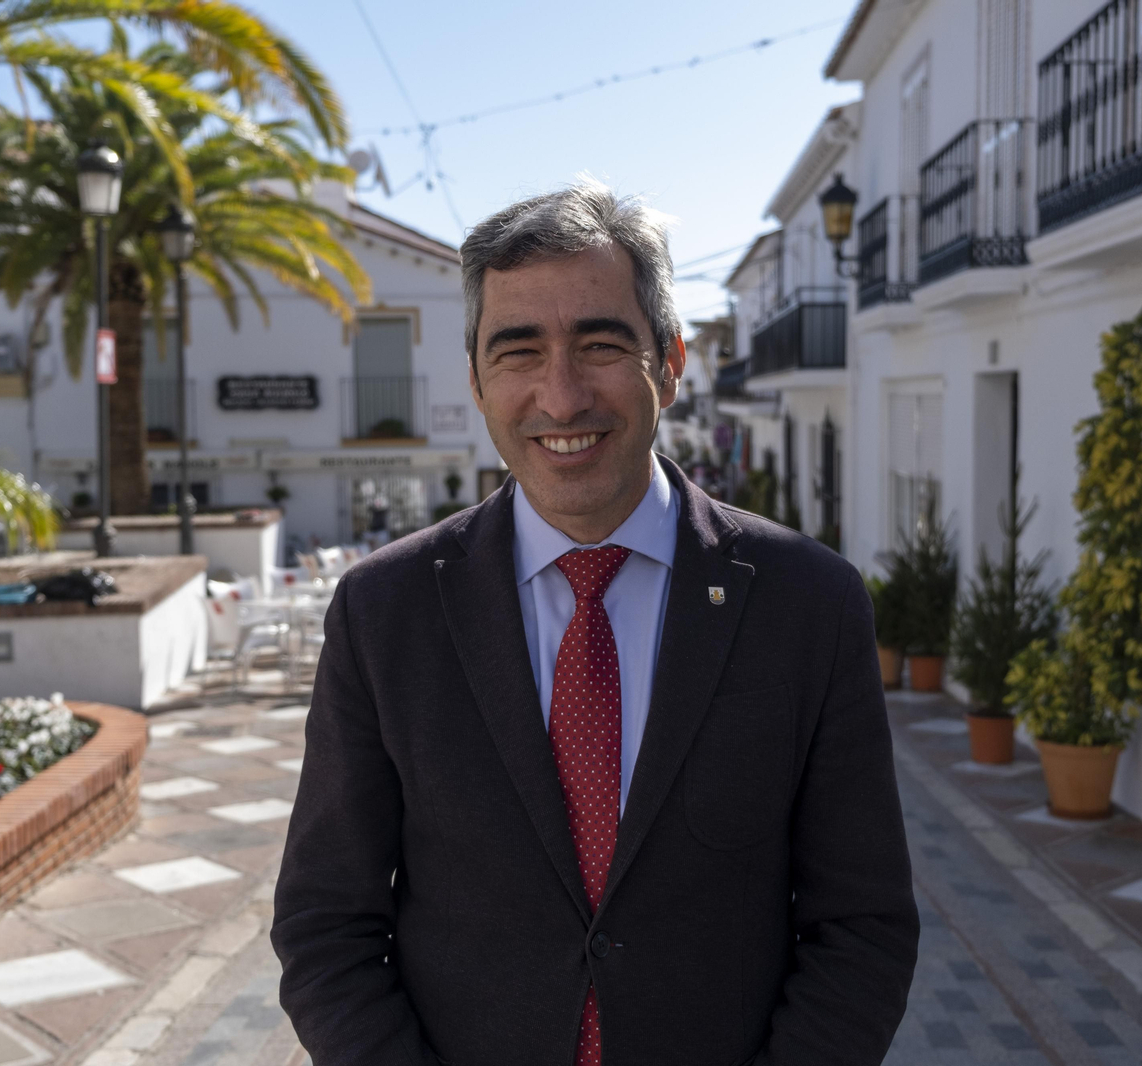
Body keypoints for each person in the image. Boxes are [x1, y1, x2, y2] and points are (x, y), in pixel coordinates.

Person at [272, 181, 918, 1066]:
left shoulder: (809, 605)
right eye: (518, 352)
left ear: (671, 362)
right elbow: (325, 926)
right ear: (476, 381)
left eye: (602, 344)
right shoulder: (385, 614)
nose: (563, 396)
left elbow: (863, 927)